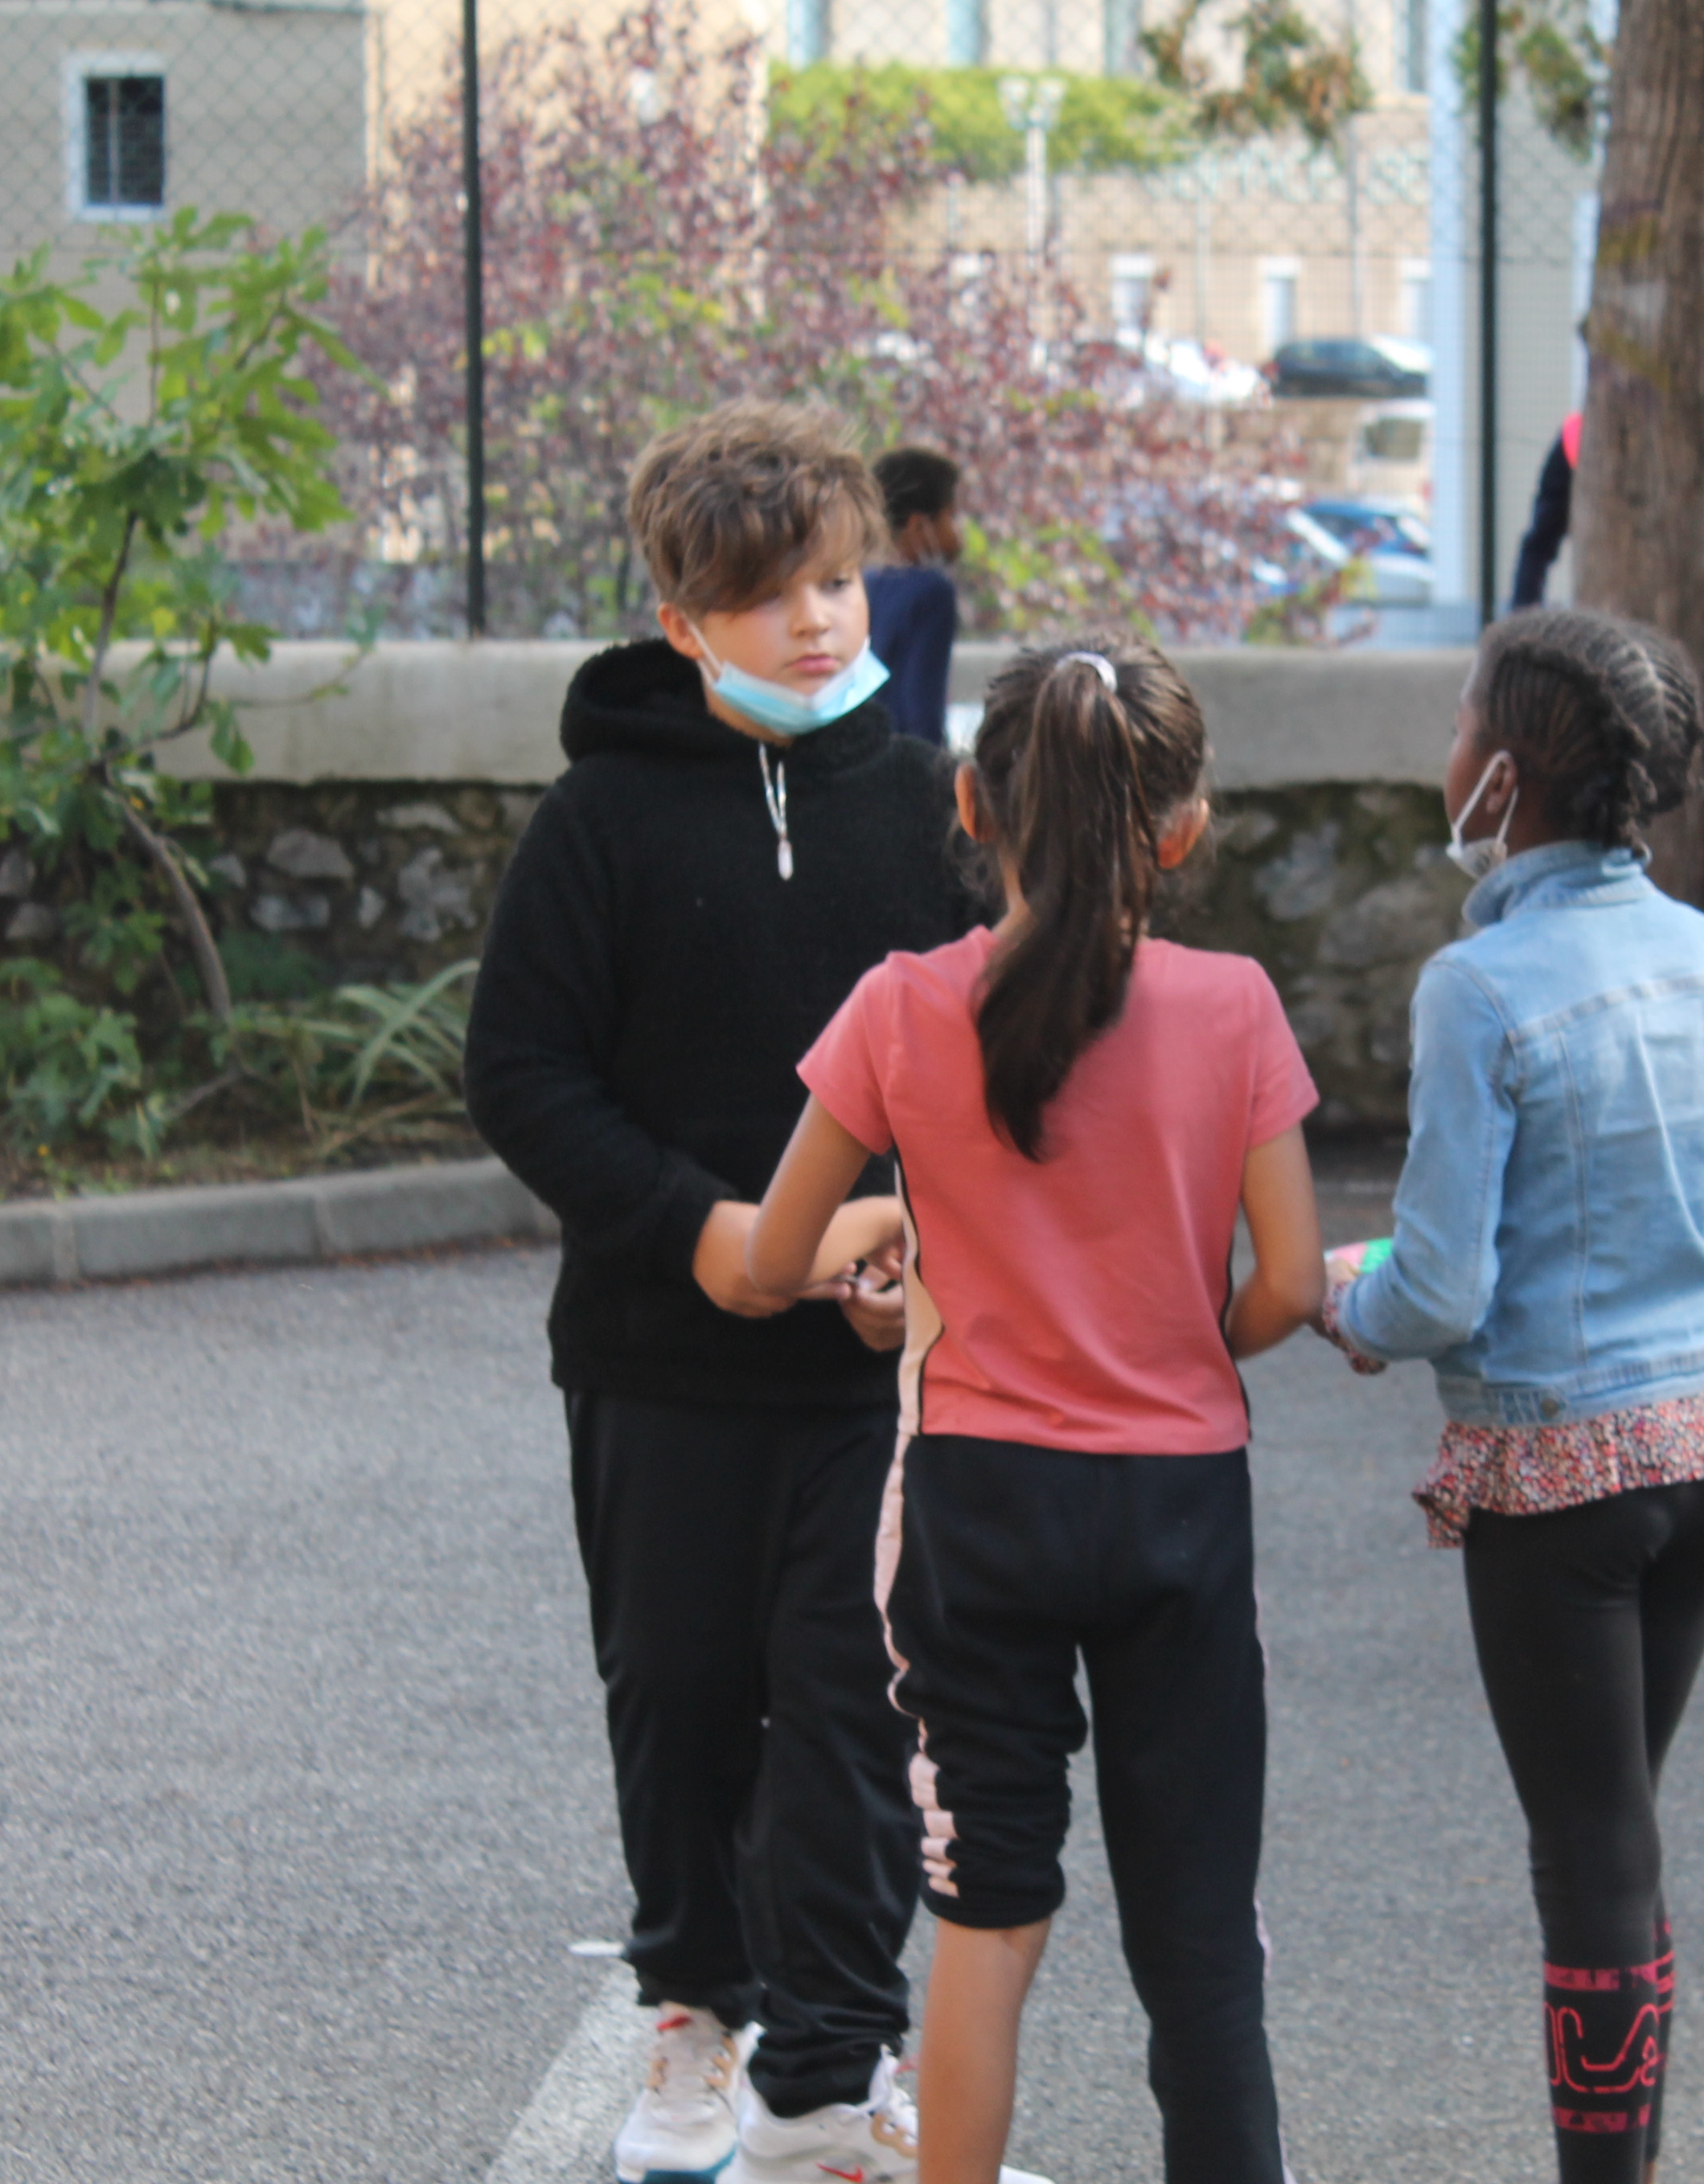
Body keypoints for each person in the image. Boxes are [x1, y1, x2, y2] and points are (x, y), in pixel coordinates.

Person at [462, 403, 983, 2184]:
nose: (818, 623)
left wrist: (908, 1243)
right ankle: (693, 2009)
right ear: (684, 621)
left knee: (856, 1712)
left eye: (836, 582)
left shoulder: (930, 807)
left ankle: (833, 2061)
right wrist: (702, 1228)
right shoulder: (600, 817)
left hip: (873, 1375)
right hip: (655, 1360)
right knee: (677, 1697)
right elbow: (522, 1071)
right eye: (770, 598)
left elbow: (990, 1070)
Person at [745, 640, 1322, 2184]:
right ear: (1182, 830)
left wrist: (887, 1244)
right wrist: (1185, 1338)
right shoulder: (1235, 1005)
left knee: (986, 1914)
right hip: (1179, 1497)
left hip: (976, 1501)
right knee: (1201, 1940)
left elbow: (774, 1258)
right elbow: (1287, 1279)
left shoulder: (899, 1006)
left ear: (970, 805)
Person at [1316, 606, 1704, 2184]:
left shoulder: (1478, 985)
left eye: (1463, 721)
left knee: (1587, 1850)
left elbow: (1439, 1288)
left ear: (1504, 776)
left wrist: (1341, 1295)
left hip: (1563, 1476)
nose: (1447, 748)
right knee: (1616, 1830)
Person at [867, 448, 963, 747]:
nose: (956, 534)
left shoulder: (859, 582)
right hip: (904, 759)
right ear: (918, 525)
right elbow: (921, 708)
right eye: (950, 517)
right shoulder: (931, 592)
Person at [1509, 410, 1582, 611]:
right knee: (1541, 540)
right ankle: (1524, 608)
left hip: (1575, 445)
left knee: (1540, 541)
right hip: (1573, 448)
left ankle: (1523, 607)